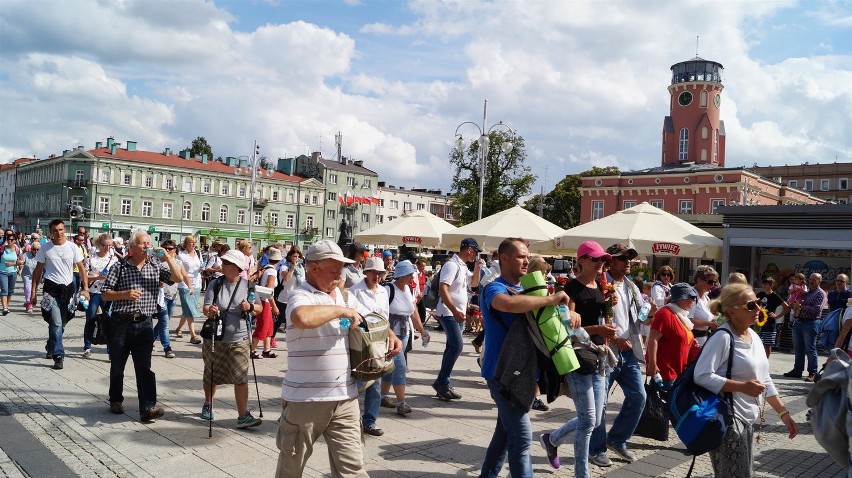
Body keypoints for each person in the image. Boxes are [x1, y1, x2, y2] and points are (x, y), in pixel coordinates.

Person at [275, 240, 402, 478]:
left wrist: (391, 336)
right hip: (305, 400)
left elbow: (368, 318)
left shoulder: (345, 297)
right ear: (314, 268)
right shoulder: (301, 295)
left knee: (353, 469)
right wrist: (342, 311)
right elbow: (302, 317)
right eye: (334, 270)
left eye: (342, 269)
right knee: (291, 468)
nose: (340, 275)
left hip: (345, 398)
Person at [480, 238, 572, 478]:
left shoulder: (528, 291)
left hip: (524, 373)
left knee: (503, 435)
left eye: (527, 255)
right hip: (502, 373)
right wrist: (551, 299)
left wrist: (570, 314)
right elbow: (508, 305)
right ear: (504, 258)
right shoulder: (493, 287)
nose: (526, 260)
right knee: (520, 440)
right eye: (521, 256)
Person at [696, 283, 798, 477]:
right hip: (727, 421)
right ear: (732, 311)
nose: (758, 308)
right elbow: (701, 375)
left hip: (747, 420)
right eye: (751, 305)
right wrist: (742, 387)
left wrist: (783, 413)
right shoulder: (722, 338)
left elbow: (764, 378)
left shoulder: (753, 335)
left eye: (758, 303)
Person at [540, 241, 618, 477]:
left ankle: (552, 439)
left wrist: (608, 308)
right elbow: (567, 325)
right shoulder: (571, 288)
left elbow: (597, 318)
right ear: (581, 260)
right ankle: (580, 473)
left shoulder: (601, 285)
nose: (600, 264)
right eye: (595, 259)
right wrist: (598, 329)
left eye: (602, 259)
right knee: (588, 420)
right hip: (577, 355)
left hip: (597, 357)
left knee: (592, 421)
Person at [101, 229, 183, 422]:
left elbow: (178, 278)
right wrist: (124, 294)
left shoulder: (155, 265)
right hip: (121, 323)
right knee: (118, 365)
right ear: (131, 247)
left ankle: (148, 407)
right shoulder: (119, 267)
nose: (147, 246)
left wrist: (168, 258)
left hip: (145, 323)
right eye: (143, 243)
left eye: (149, 243)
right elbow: (105, 293)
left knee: (144, 368)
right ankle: (115, 399)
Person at [588, 243, 647, 466]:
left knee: (639, 397)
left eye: (630, 258)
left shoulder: (630, 286)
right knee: (600, 402)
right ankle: (596, 448)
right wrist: (615, 339)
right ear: (610, 260)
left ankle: (618, 439)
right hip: (607, 350)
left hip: (629, 351)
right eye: (623, 258)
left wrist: (652, 313)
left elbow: (640, 316)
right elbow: (596, 319)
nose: (628, 262)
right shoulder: (600, 285)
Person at [200, 249, 263, 428]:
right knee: (211, 373)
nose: (223, 265)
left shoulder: (248, 286)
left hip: (240, 337)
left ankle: (243, 415)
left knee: (241, 376)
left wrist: (249, 306)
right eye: (224, 263)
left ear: (236, 268)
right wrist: (210, 310)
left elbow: (259, 308)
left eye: (226, 263)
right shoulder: (216, 283)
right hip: (215, 337)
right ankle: (208, 403)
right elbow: (205, 308)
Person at [30, 220, 90, 370]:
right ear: (51, 231)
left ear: (65, 230)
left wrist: (85, 288)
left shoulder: (72, 247)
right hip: (51, 288)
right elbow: (38, 270)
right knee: (56, 322)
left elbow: (81, 269)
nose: (59, 233)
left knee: (63, 322)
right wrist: (33, 291)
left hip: (68, 289)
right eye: (55, 230)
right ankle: (58, 355)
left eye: (61, 229)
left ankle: (51, 344)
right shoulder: (45, 248)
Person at [432, 237, 483, 401]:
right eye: (475, 252)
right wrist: (454, 310)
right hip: (448, 312)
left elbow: (474, 284)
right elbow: (443, 288)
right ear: (469, 250)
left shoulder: (461, 266)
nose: (475, 255)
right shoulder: (452, 265)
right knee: (457, 346)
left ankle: (443, 383)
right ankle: (441, 382)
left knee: (451, 347)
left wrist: (477, 267)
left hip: (456, 313)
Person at [350, 257, 391, 436]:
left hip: (379, 342)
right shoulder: (355, 291)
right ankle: (347, 419)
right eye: (374, 272)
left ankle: (369, 421)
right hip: (360, 341)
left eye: (380, 273)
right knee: (356, 381)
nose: (377, 276)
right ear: (366, 272)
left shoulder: (383, 291)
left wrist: (389, 338)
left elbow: (385, 319)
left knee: (376, 380)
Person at [381, 260, 427, 416]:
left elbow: (413, 312)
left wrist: (422, 331)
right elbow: (380, 312)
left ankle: (383, 396)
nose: (411, 278)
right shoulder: (388, 290)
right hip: (391, 334)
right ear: (400, 276)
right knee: (400, 366)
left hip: (405, 332)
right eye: (409, 275)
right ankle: (401, 403)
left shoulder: (408, 289)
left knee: (391, 366)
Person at [646, 283, 698, 389]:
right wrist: (652, 364)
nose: (694, 300)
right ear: (681, 298)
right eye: (692, 297)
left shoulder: (681, 315)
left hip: (679, 371)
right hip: (666, 373)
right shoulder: (665, 314)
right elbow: (653, 339)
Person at [784, 273, 827, 381]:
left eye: (814, 280)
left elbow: (817, 310)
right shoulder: (807, 292)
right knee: (798, 348)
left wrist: (801, 307)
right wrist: (795, 305)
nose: (811, 281)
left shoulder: (820, 293)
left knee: (810, 349)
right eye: (811, 279)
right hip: (799, 322)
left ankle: (813, 372)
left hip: (810, 322)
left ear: (819, 281)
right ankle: (797, 370)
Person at [82, 233, 116, 357]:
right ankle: (87, 347)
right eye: (105, 245)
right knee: (90, 318)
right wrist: (97, 277)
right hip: (93, 292)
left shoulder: (113, 259)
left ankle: (110, 349)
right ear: (99, 245)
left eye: (110, 246)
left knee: (109, 319)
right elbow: (84, 276)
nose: (108, 248)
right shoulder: (91, 258)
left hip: (108, 292)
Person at [250, 247, 280, 359]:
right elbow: (269, 291)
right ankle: (252, 349)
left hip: (261, 299)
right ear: (279, 260)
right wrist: (274, 306)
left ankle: (266, 349)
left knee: (268, 326)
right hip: (265, 301)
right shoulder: (272, 271)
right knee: (263, 326)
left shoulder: (266, 268)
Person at [174, 236, 203, 344]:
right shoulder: (181, 255)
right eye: (191, 243)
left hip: (197, 284)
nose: (193, 244)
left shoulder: (198, 253)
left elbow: (201, 265)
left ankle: (179, 328)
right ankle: (193, 335)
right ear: (186, 244)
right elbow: (178, 270)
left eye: (194, 242)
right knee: (190, 309)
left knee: (187, 309)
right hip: (184, 285)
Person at [273, 245, 303, 344]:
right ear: (290, 256)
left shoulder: (301, 268)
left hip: (297, 298)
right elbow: (286, 278)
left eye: (298, 257)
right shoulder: (284, 267)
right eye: (295, 256)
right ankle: (271, 337)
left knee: (296, 321)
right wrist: (293, 268)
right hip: (284, 298)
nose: (297, 258)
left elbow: (303, 281)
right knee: (278, 321)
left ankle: (295, 339)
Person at [155, 240, 179, 359]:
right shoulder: (157, 261)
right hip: (161, 296)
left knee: (163, 323)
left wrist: (190, 286)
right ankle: (167, 348)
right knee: (165, 323)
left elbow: (182, 276)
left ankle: (149, 340)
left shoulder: (177, 262)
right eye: (165, 248)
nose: (167, 250)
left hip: (172, 295)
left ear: (175, 249)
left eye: (170, 248)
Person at [756, 278, 789, 357]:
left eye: (766, 284)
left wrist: (777, 316)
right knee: (757, 343)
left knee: (767, 344)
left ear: (771, 285)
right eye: (763, 284)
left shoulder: (775, 296)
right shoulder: (760, 294)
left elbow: (787, 307)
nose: (764, 286)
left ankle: (766, 361)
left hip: (769, 323)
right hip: (759, 322)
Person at [689, 265, 720, 345]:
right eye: (710, 282)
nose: (712, 285)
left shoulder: (706, 297)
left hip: (703, 340)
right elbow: (689, 320)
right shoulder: (691, 296)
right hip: (692, 341)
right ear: (699, 280)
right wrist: (709, 324)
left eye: (714, 282)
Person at [1, 230, 22, 315]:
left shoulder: (17, 249)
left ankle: (7, 306)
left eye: (12, 239)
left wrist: (14, 264)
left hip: (13, 272)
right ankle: (5, 308)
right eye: (8, 239)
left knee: (10, 291)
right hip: (2, 272)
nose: (10, 241)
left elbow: (22, 261)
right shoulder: (2, 249)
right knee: (4, 290)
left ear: (15, 240)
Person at [19, 240, 40, 313]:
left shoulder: (41, 256)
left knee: (34, 290)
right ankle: (29, 304)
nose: (36, 251)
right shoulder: (26, 255)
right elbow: (21, 262)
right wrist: (20, 267)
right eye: (34, 249)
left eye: (38, 249)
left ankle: (29, 301)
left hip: (37, 276)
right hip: (27, 275)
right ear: (31, 249)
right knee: (28, 289)